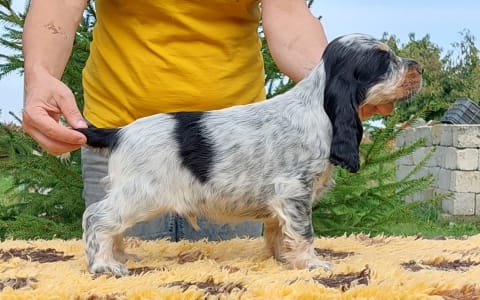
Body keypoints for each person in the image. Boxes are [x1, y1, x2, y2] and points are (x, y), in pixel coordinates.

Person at [21, 0, 389, 241]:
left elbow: (289, 14)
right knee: (115, 281)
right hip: (129, 141)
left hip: (241, 153)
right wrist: (39, 74)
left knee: (231, 285)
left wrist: (337, 87)